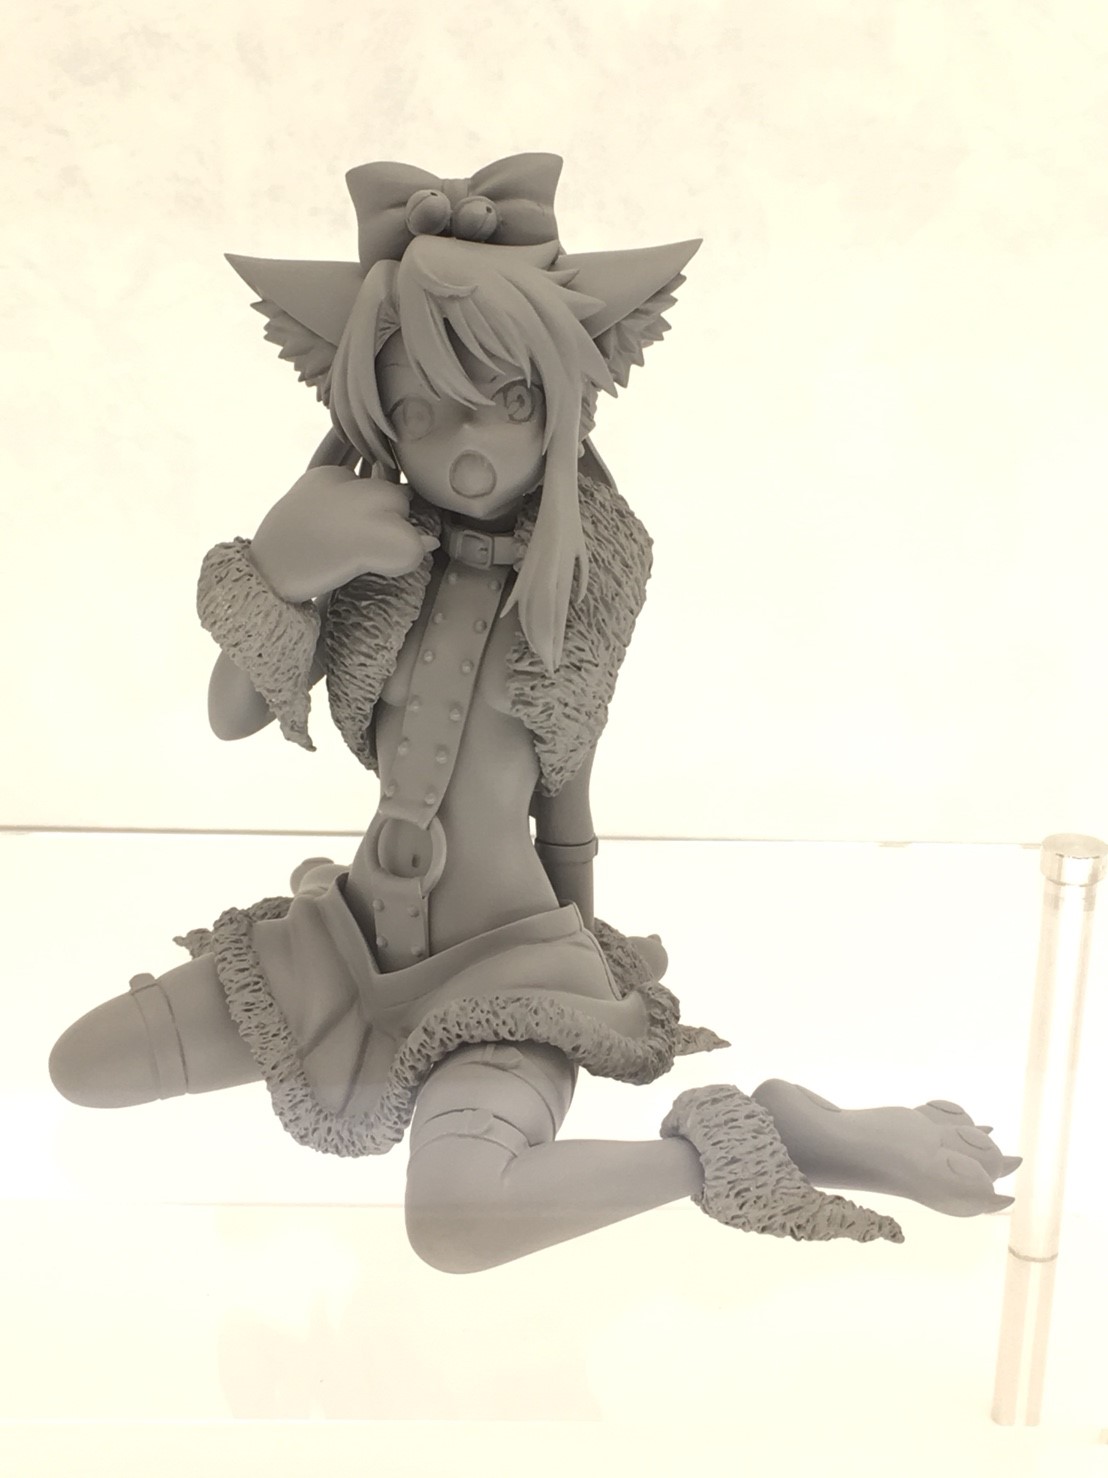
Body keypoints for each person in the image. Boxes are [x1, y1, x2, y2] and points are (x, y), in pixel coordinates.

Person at [50, 154, 1019, 1273]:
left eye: (508, 402)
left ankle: (757, 1135)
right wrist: (280, 564)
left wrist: (590, 987)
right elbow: (234, 712)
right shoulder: (369, 558)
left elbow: (566, 801)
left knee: (453, 1228)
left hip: (506, 972)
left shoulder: (584, 581)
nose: (467, 446)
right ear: (375, 419)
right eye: (420, 409)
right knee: (82, 1067)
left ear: (560, 399)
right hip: (345, 940)